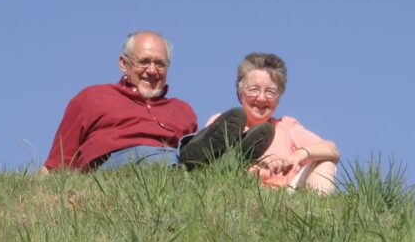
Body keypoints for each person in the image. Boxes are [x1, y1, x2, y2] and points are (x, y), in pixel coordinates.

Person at [41, 31, 272, 174]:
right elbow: (56, 163)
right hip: (117, 163)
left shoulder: (183, 110)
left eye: (160, 64)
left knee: (183, 151)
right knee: (152, 153)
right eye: (144, 62)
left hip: (171, 162)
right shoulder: (91, 98)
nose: (152, 71)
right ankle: (213, 164)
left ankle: (225, 160)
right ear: (124, 63)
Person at [206, 53, 340, 194]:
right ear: (240, 94)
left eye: (270, 92)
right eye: (254, 90)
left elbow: (332, 149)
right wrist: (264, 163)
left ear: (278, 97)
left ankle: (320, 212)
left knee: (325, 162)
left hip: (287, 195)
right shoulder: (223, 122)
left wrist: (297, 156)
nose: (262, 98)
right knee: (216, 164)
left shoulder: (286, 127)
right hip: (238, 190)